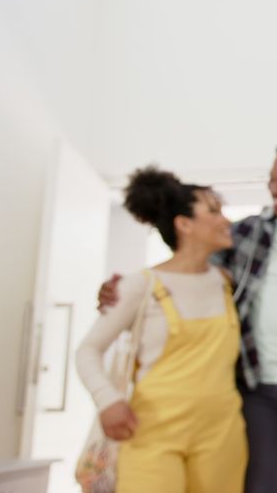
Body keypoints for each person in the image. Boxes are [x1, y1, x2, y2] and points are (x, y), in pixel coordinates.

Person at [99, 138, 277, 493]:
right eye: (272, 179)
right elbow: (186, 274)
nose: (275, 189)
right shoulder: (244, 233)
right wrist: (122, 290)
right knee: (259, 484)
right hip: (252, 389)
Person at [77, 166, 247, 492]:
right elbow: (88, 350)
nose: (226, 220)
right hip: (151, 431)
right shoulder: (139, 285)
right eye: (213, 211)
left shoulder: (224, 282)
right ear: (184, 224)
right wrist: (107, 400)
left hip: (222, 433)